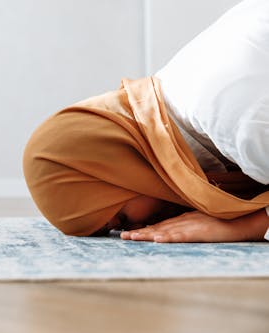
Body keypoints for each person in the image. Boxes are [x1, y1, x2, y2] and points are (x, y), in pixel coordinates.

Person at [22, 0, 269, 243]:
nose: (143, 228)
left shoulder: (238, 123)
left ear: (124, 171)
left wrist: (245, 226)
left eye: (122, 220)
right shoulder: (178, 93)